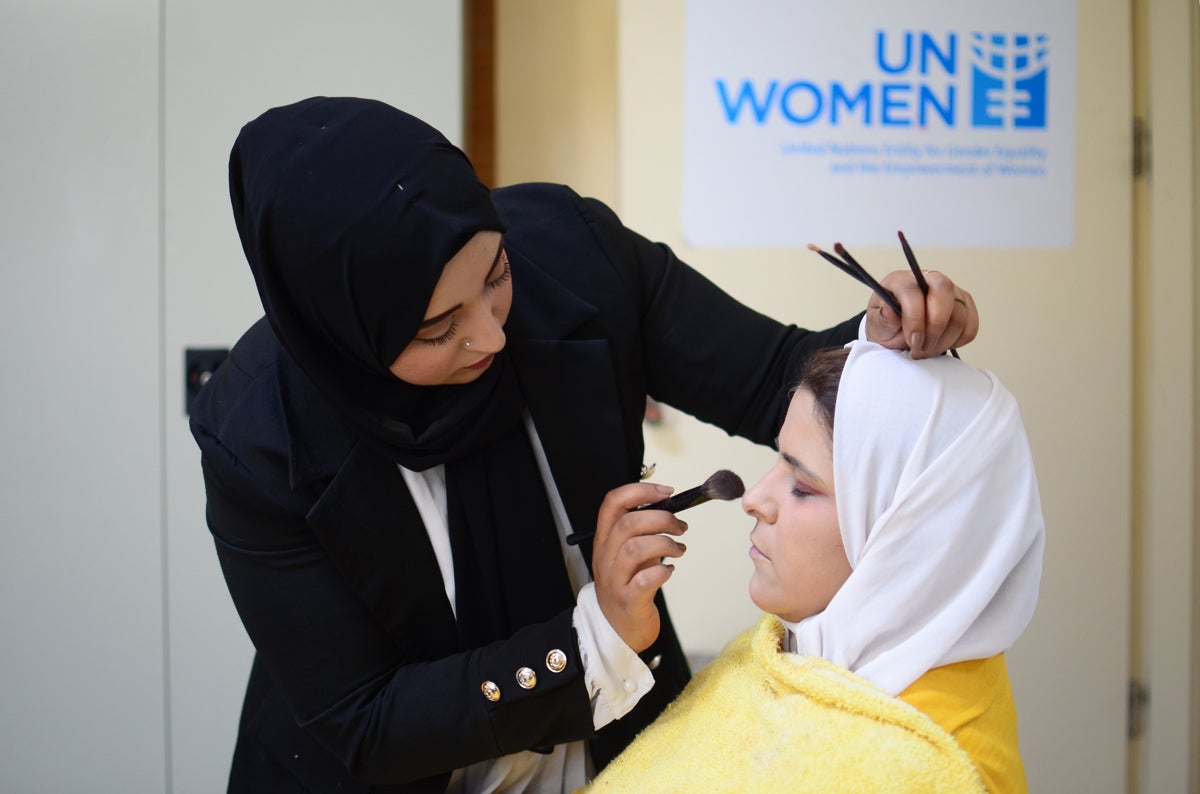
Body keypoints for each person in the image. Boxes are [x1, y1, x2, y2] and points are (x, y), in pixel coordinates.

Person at [190, 95, 980, 793]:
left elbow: (776, 376)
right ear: (343, 334)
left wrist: (886, 338)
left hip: (620, 756)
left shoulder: (573, 254)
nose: (493, 335)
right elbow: (364, 719)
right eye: (439, 328)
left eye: (495, 275)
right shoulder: (256, 439)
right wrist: (596, 632)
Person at [584, 342, 1045, 793]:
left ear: (909, 535)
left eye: (802, 486)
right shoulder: (777, 650)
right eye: (777, 461)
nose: (754, 500)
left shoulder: (923, 771)